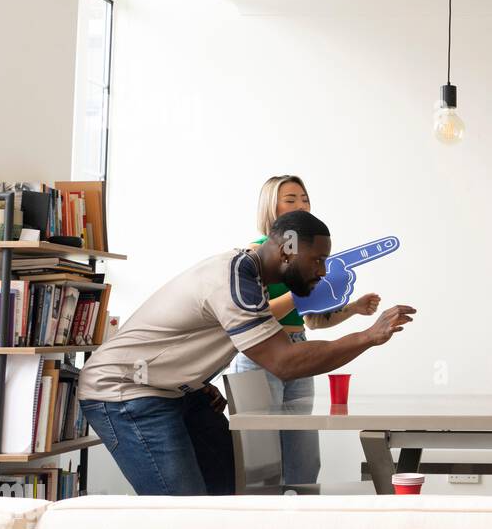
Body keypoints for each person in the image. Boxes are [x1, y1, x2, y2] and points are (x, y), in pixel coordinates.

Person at [77, 210, 415, 495]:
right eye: (318, 260)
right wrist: (368, 336)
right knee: (182, 512)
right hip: (124, 392)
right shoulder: (235, 278)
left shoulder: (252, 280)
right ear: (288, 248)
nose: (323, 271)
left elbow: (195, 337)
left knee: (233, 494)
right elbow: (284, 362)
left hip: (172, 392)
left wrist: (191, 381)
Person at [230, 175, 379, 486]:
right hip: (262, 352)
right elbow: (254, 314)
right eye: (291, 199)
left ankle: (301, 520)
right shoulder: (256, 252)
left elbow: (311, 321)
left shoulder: (305, 255)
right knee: (263, 462)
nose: (302, 205)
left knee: (304, 458)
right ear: (270, 207)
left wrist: (352, 308)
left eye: (305, 198)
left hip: (297, 347)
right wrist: (303, 294)